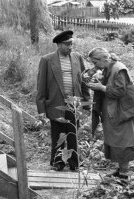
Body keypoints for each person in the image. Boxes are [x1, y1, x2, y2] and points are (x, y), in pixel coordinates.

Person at [86, 47, 134, 179]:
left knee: (125, 141)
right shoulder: (108, 68)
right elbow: (108, 83)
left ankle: (124, 174)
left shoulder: (119, 69)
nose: (95, 66)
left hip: (123, 111)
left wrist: (101, 87)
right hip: (113, 109)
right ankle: (120, 169)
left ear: (103, 59)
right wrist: (96, 79)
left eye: (95, 63)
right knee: (116, 140)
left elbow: (120, 91)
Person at [36, 30, 90, 171]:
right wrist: (41, 110)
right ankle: (57, 163)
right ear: (59, 45)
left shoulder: (77, 58)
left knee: (73, 135)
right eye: (67, 44)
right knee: (58, 135)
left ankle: (74, 164)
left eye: (71, 44)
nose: (70, 47)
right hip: (56, 104)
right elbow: (41, 86)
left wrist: (86, 103)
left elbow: (83, 81)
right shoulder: (47, 60)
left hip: (74, 104)